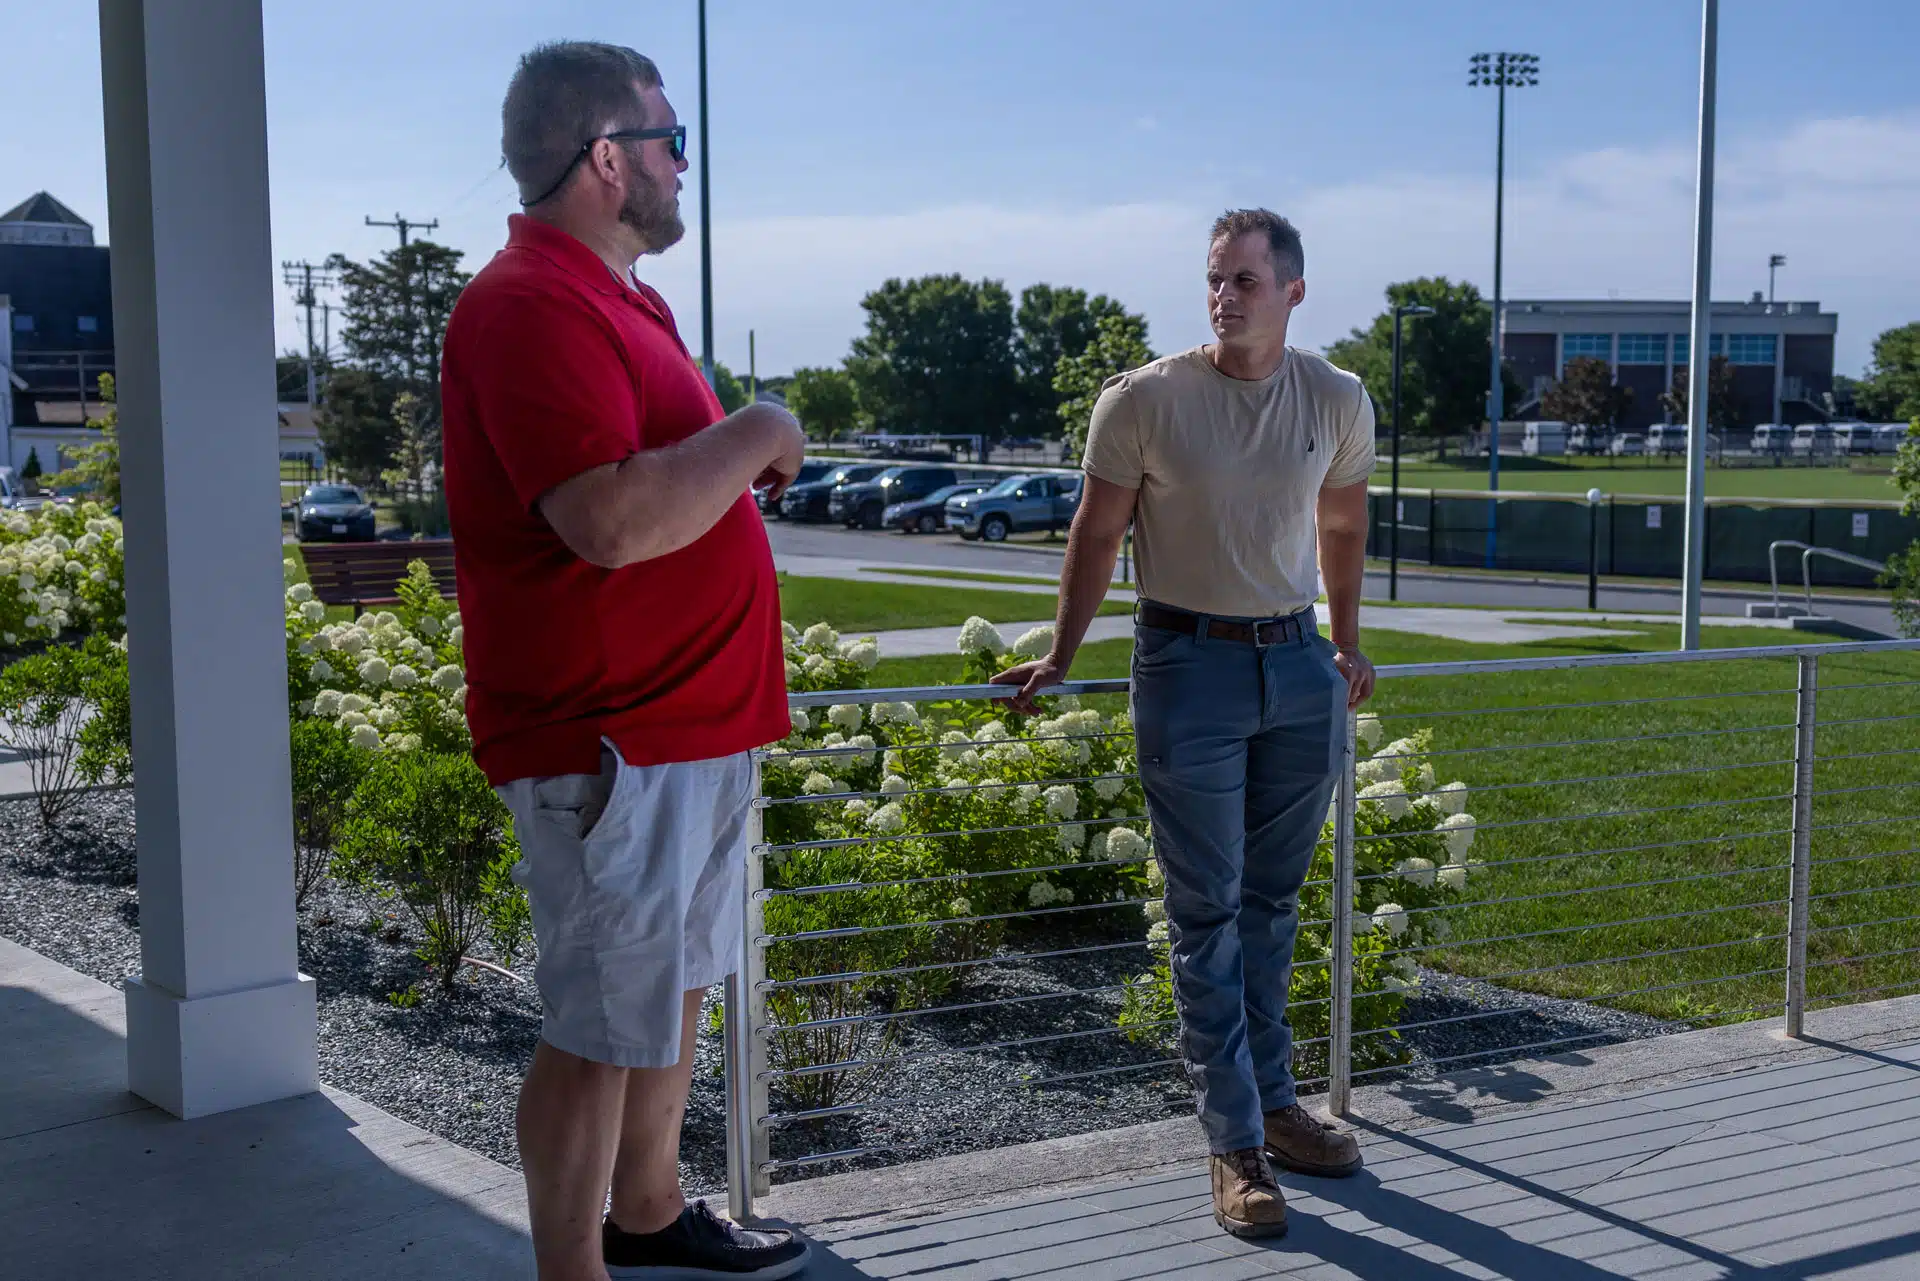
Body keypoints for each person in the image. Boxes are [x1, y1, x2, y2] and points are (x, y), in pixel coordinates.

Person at [441, 41, 812, 1281]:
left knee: (673, 991)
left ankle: (647, 1214)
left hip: (687, 730)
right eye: (671, 141)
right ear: (608, 157)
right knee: (602, 1025)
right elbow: (605, 519)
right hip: (610, 739)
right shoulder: (527, 302)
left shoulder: (619, 299)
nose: (682, 166)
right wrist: (758, 426)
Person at [995, 209, 1376, 1241]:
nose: (1224, 295)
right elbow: (1095, 532)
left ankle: (1276, 1104)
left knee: (1272, 906)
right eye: (1215, 278)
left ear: (1293, 291)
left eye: (1246, 279)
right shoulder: (1143, 400)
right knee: (1206, 912)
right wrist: (1062, 654)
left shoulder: (1337, 397)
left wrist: (1345, 642)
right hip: (1186, 665)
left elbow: (1343, 523)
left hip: (1297, 667)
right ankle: (1235, 1144)